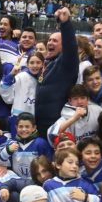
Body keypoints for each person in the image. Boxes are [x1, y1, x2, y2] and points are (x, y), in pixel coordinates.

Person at [35, 8, 79, 136]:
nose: (50, 42)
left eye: (55, 41)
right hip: (39, 125)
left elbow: (71, 47)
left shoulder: (66, 63)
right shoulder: (46, 64)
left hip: (56, 126)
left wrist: (65, 24)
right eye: (49, 40)